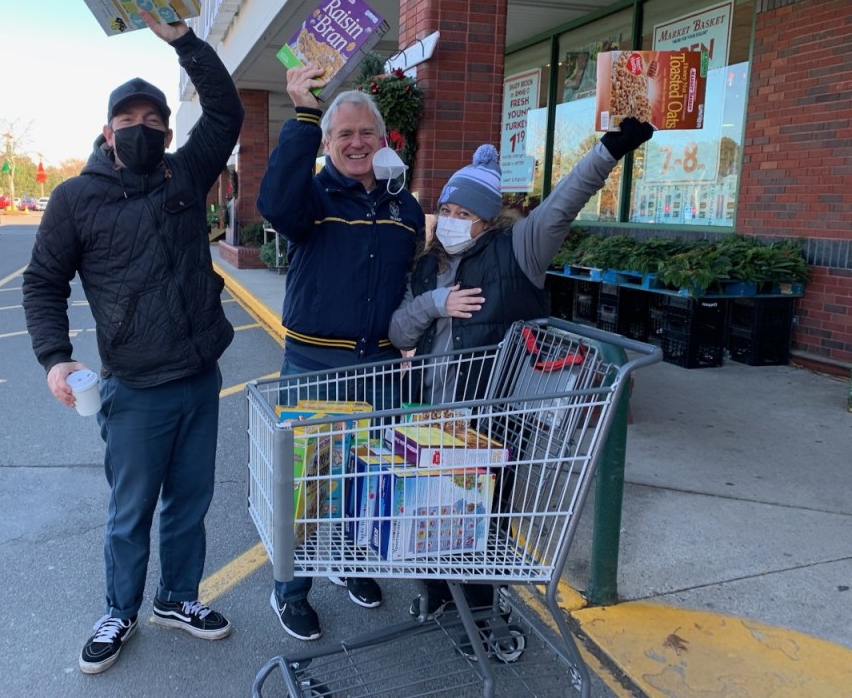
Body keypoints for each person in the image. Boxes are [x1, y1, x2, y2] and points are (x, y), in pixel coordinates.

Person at [21, 10, 243, 675]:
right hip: (135, 388)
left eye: (152, 121)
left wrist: (185, 43)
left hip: (199, 378)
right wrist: (54, 356)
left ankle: (177, 599)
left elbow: (226, 113)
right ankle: (119, 610)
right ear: (107, 130)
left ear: (167, 133)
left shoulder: (185, 173)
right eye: (127, 120)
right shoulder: (75, 199)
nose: (139, 129)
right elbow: (43, 283)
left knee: (190, 503)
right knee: (130, 511)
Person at [387, 117, 654, 617]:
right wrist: (436, 304)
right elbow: (400, 333)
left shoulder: (519, 250)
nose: (451, 220)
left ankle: (483, 610)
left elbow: (565, 201)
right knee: (427, 505)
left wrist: (609, 150)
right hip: (431, 415)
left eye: (465, 213)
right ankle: (440, 594)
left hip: (493, 418)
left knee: (484, 515)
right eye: (447, 210)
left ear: (488, 220)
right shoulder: (426, 267)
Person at [257, 65, 426, 641]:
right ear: (327, 143)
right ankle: (290, 590)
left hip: (380, 367)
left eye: (367, 133)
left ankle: (352, 566)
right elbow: (274, 204)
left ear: (383, 140)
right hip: (316, 364)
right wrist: (304, 114)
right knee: (308, 483)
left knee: (365, 478)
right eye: (344, 134)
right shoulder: (311, 196)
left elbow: (412, 281)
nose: (357, 143)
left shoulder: (404, 207)